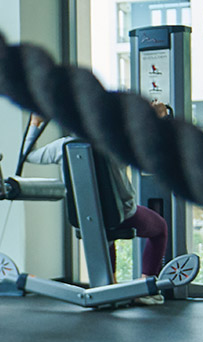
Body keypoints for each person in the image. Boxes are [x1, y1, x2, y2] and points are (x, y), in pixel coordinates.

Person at [24, 102, 173, 304]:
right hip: (123, 214)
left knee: (101, 230)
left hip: (84, 218)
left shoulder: (63, 146)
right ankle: (146, 285)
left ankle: (108, 284)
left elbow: (29, 154)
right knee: (160, 228)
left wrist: (35, 122)